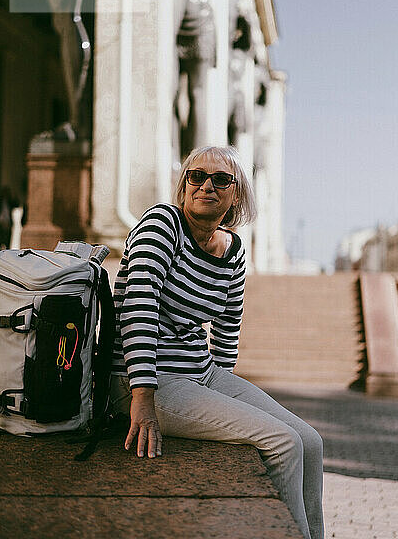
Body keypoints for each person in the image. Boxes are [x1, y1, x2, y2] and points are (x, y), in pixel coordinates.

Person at [110, 146, 324, 539]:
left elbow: (227, 329)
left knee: (310, 441)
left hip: (203, 373)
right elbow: (137, 306)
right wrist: (142, 399)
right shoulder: (162, 225)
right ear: (184, 185)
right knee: (283, 443)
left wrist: (225, 398)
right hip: (145, 379)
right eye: (197, 176)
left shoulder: (234, 250)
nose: (206, 185)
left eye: (221, 179)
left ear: (236, 193)